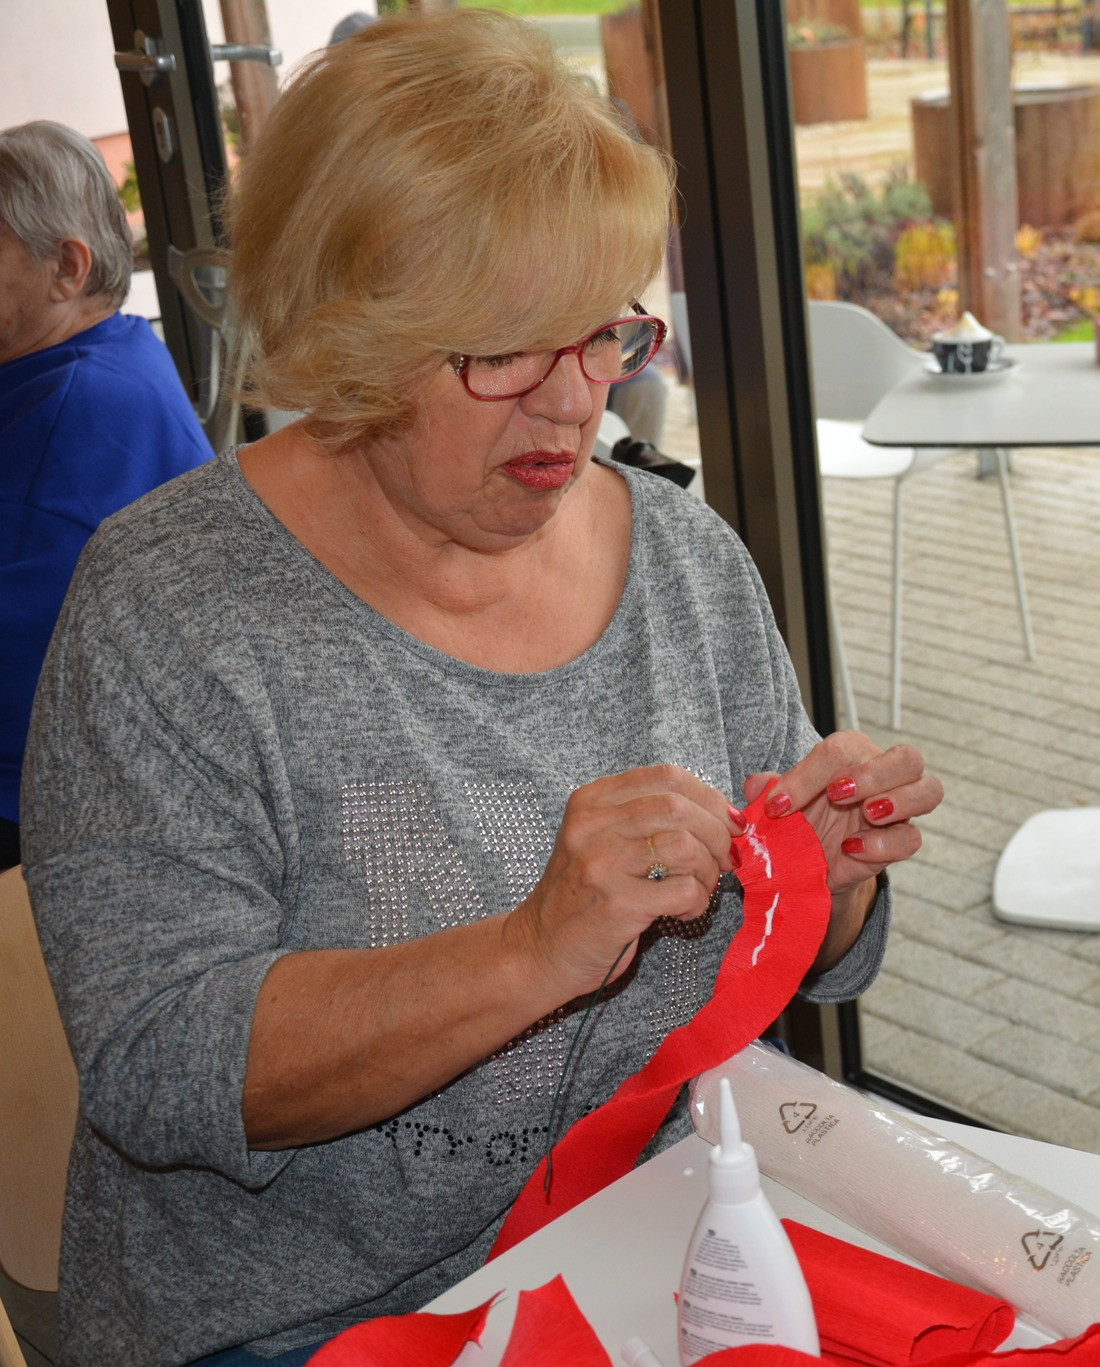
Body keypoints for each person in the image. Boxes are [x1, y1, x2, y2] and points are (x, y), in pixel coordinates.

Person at [19, 13, 938, 1366]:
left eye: (608, 335)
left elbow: (813, 944)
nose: (575, 405)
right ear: (355, 336)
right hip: (280, 1324)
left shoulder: (679, 556)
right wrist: (529, 948)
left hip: (634, 1249)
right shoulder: (169, 610)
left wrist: (838, 867)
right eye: (503, 350)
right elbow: (165, 1065)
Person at [0, 120, 211, 871]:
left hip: (46, 804)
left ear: (67, 266)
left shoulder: (77, 404)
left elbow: (25, 672)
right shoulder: (106, 350)